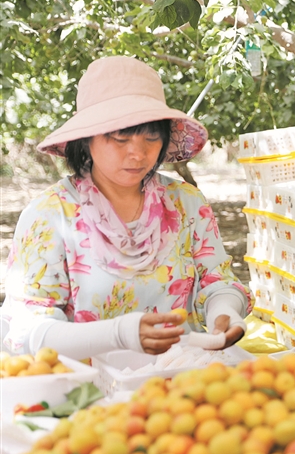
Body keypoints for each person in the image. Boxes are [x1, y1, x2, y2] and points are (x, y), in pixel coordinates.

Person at [1, 56, 252, 359]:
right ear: (86, 140)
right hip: (85, 392)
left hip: (181, 379)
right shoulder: (49, 216)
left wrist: (225, 311)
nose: (137, 153)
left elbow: (218, 280)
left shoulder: (186, 203)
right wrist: (118, 335)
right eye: (120, 138)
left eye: (151, 137)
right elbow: (30, 331)